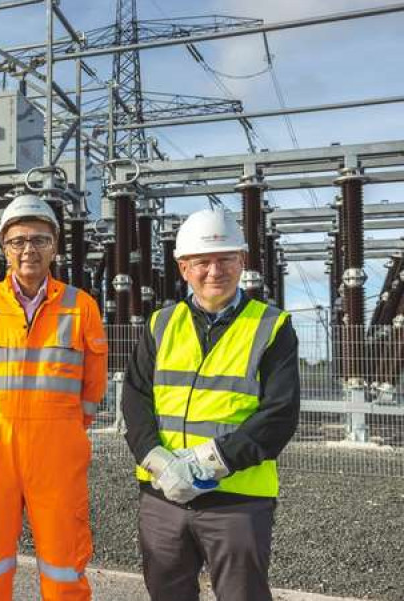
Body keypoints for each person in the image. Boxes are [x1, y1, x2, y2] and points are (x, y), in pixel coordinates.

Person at [122, 207, 300, 601]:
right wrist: (157, 458)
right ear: (184, 268)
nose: (214, 271)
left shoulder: (272, 327)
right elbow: (135, 397)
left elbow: (279, 415)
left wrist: (207, 464)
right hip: (162, 493)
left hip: (237, 499)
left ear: (242, 262)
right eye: (202, 261)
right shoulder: (160, 324)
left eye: (225, 259)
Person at [0, 194, 108, 601]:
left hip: (57, 447)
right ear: (4, 248)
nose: (29, 250)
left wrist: (63, 425)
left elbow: (94, 385)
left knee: (63, 563)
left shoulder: (81, 307)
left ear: (55, 246)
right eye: (18, 241)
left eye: (39, 240)